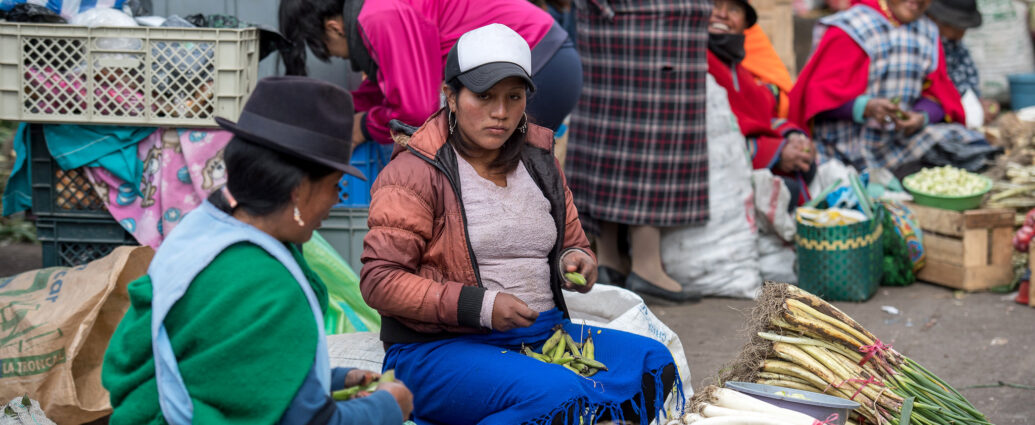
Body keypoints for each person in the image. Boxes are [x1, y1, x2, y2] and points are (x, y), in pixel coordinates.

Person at [360, 24, 680, 424]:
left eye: (514, 97)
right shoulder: (416, 172)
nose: (500, 112)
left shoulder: (539, 160)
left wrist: (576, 259)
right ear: (451, 96)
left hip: (543, 336)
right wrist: (481, 306)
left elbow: (572, 243)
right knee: (558, 394)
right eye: (484, 96)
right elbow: (381, 281)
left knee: (652, 363)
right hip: (441, 347)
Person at [101, 77, 413, 425]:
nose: (333, 202)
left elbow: (227, 369)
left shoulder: (195, 234)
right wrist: (387, 408)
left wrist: (332, 379)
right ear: (297, 190)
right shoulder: (270, 286)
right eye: (333, 187)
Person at [278, 0, 582, 149]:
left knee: (494, 185)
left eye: (326, 48)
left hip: (536, 66)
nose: (334, 56)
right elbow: (388, 91)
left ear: (333, 27)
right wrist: (331, 114)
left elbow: (414, 113)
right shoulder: (377, 10)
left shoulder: (379, 16)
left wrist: (362, 128)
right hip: (548, 58)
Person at [564, 0, 712, 302]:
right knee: (654, 134)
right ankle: (646, 266)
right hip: (653, 20)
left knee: (607, 128)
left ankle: (609, 261)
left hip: (615, 20)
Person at [788, 0, 999, 176]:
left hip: (897, 142)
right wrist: (867, 107)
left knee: (973, 146)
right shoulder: (852, 28)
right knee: (826, 173)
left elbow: (936, 95)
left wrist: (921, 117)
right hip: (845, 145)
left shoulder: (927, 32)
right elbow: (816, 99)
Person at [708, 0, 816, 208]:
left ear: (746, 25)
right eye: (714, 5)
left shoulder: (739, 70)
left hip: (744, 159)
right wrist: (775, 153)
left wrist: (794, 137)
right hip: (715, 166)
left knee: (805, 166)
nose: (722, 14)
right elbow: (713, 137)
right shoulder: (695, 61)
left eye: (733, 9)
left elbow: (763, 114)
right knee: (787, 189)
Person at [927, 0, 1000, 123]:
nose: (961, 33)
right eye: (957, 27)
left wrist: (979, 102)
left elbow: (968, 79)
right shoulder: (928, 45)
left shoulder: (956, 46)